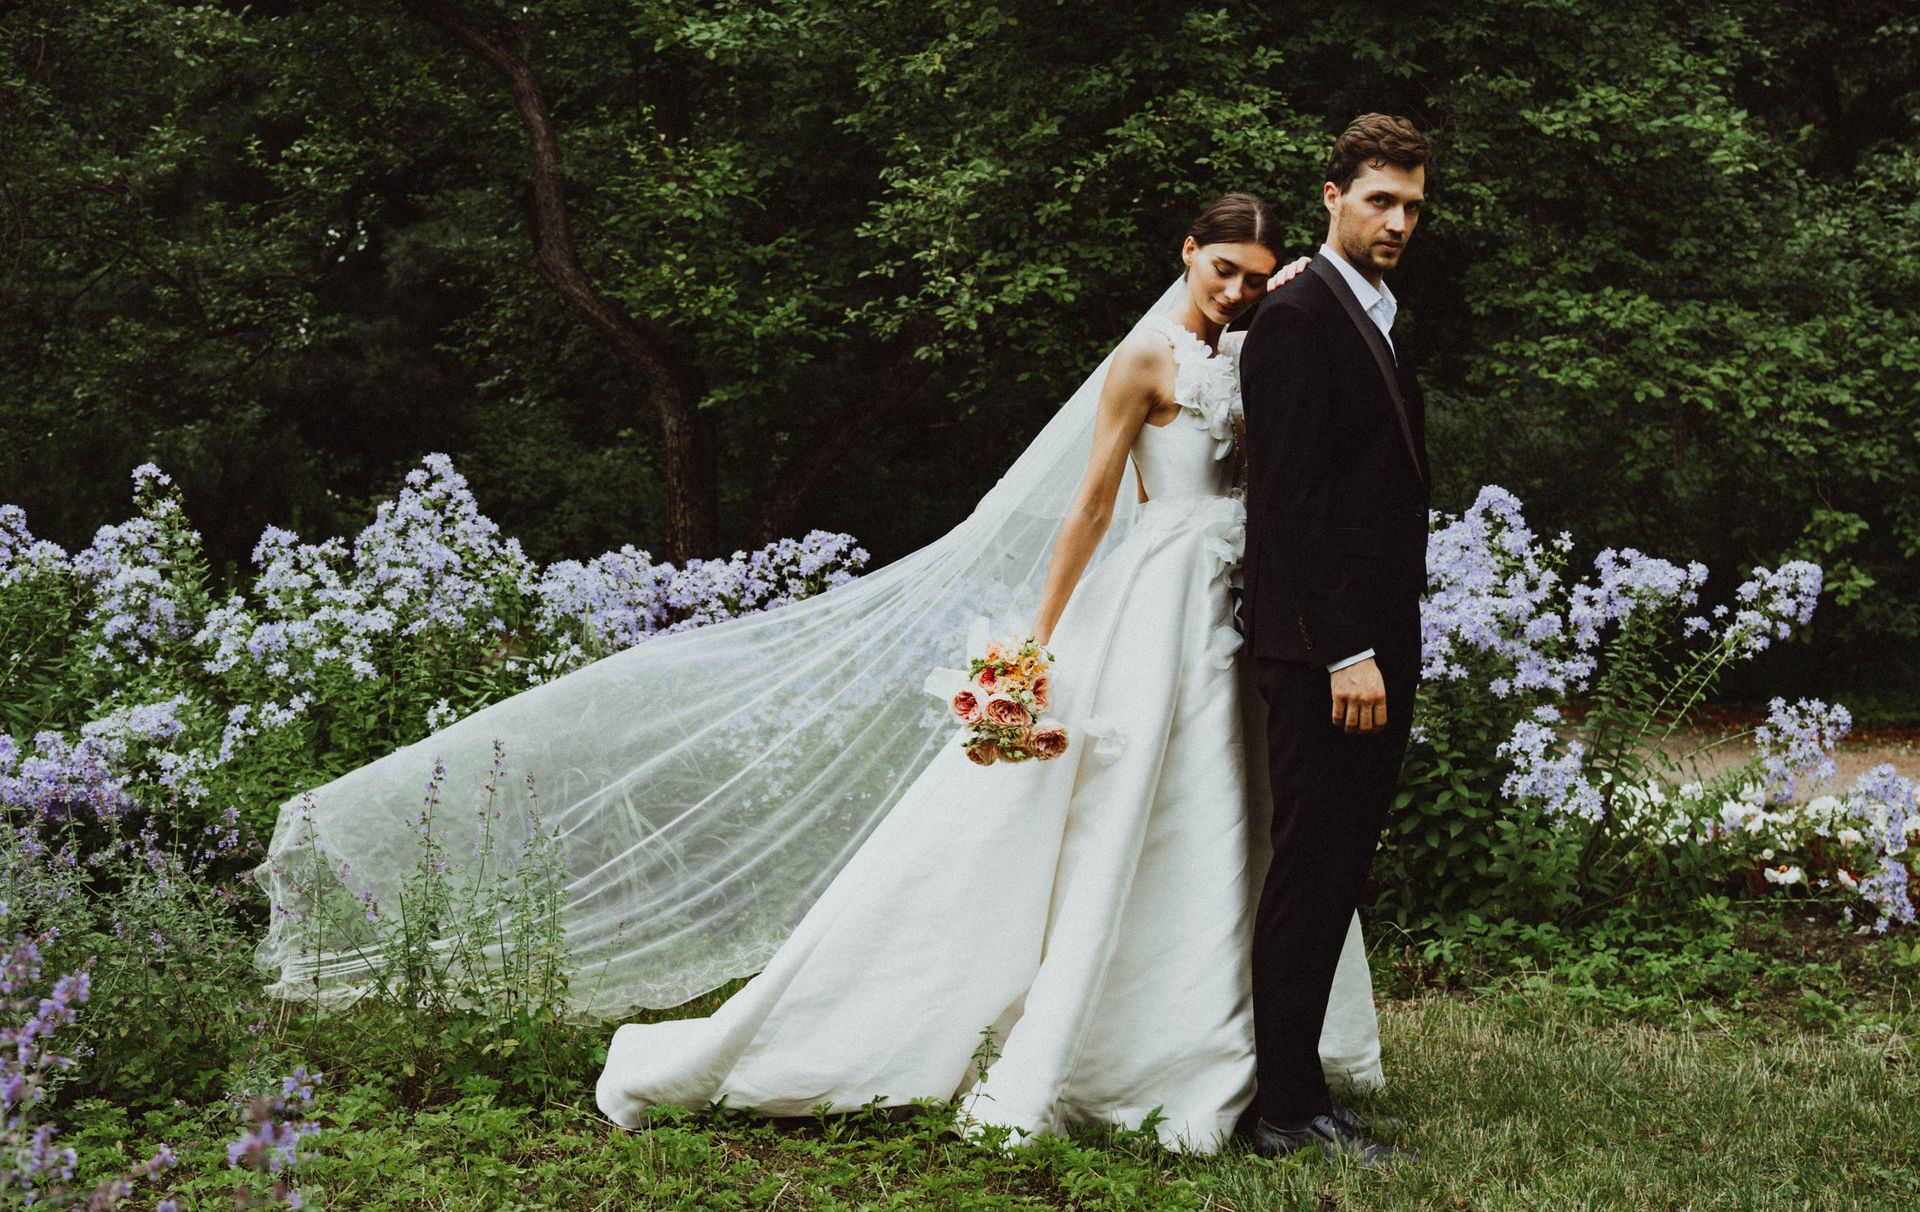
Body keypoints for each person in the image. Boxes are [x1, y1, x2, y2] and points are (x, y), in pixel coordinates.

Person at [253, 191, 1385, 1156]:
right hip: (1154, 605)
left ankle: (1220, 1044)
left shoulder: (1256, 349)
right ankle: (1098, 1048)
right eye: (1224, 269)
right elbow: (1095, 502)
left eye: (1256, 277)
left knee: (1229, 813)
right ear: (1187, 252)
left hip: (1236, 605)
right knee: (1131, 809)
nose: (1239, 290)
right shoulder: (1145, 358)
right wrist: (1038, 642)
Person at [1238, 114, 1434, 1167]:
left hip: (1373, 641)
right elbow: (1291, 504)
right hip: (1327, 650)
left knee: (1339, 865)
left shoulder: (1375, 310)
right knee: (1311, 869)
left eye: (1412, 205)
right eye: (1379, 200)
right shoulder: (1297, 315)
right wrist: (1346, 649)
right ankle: (1284, 1108)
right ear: (1333, 196)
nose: (1397, 221)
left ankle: (1300, 1086)